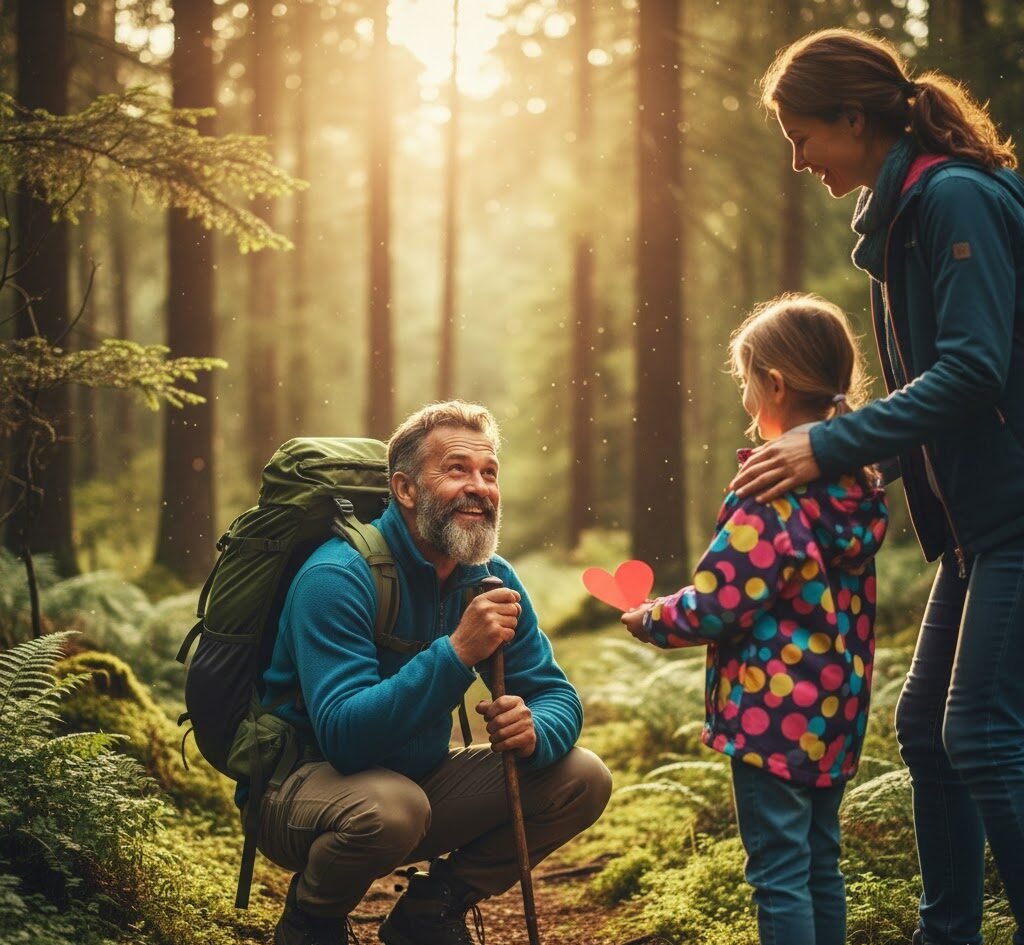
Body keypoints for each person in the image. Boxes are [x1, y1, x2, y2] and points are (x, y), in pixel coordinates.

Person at [733, 27, 1024, 945]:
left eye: (803, 134)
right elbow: (938, 392)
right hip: (981, 526)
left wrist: (831, 444)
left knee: (976, 732)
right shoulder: (903, 217)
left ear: (853, 119)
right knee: (931, 733)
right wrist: (849, 463)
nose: (797, 158)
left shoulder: (953, 200)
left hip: (1016, 516)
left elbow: (975, 371)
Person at [256, 400, 612, 945]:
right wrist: (457, 652)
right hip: (301, 789)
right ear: (405, 490)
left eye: (488, 473)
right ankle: (313, 918)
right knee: (394, 809)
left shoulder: (490, 577)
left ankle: (431, 910)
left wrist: (536, 727)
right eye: (456, 470)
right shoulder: (336, 575)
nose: (479, 487)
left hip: (416, 784)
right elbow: (346, 739)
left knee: (581, 778)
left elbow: (554, 693)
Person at [622, 294, 889, 945]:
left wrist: (654, 618)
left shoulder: (769, 493)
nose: (744, 397)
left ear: (773, 384)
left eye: (745, 380)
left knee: (777, 872)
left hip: (773, 718)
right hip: (837, 710)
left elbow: (718, 602)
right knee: (821, 860)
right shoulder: (857, 488)